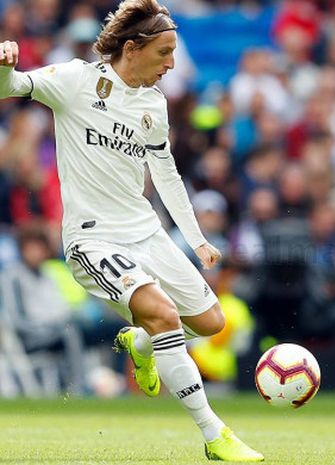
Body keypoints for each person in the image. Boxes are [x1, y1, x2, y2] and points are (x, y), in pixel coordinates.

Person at [0, 0, 263, 462]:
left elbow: (166, 175)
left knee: (210, 322)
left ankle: (140, 343)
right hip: (92, 238)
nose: (172, 64)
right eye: (164, 52)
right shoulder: (77, 81)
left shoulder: (153, 105)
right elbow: (12, 87)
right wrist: (4, 65)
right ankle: (215, 435)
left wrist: (197, 237)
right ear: (132, 47)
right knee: (162, 313)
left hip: (146, 232)